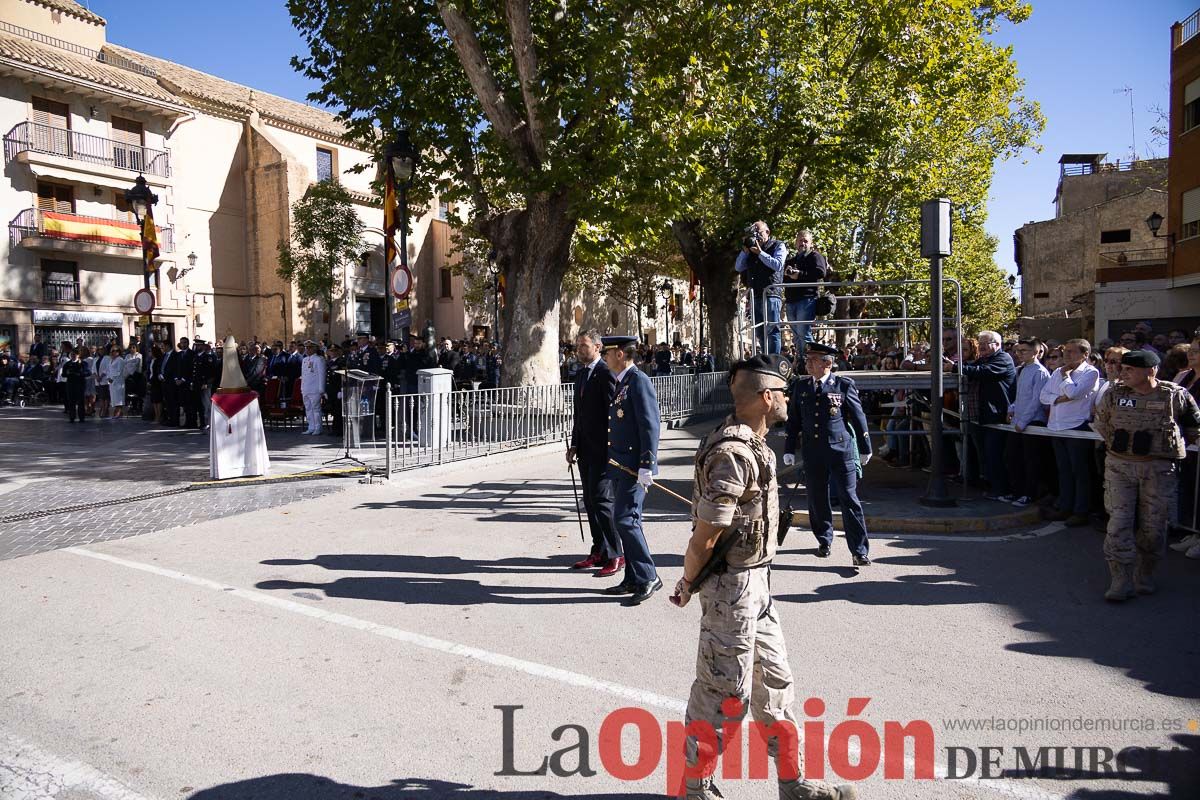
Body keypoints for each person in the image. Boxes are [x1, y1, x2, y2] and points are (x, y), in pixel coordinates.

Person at [674, 353, 856, 800]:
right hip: (729, 589)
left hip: (758, 584)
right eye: (783, 394)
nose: (789, 401)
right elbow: (706, 535)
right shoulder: (733, 454)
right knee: (722, 692)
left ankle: (794, 785)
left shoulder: (757, 445)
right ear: (766, 396)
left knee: (775, 686)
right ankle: (694, 789)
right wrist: (687, 581)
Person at [1093, 349, 1200, 600]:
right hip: (1119, 467)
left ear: (1151, 371)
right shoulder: (1114, 394)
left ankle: (1145, 572)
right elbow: (1101, 423)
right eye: (1123, 368)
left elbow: (1194, 425)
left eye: (1131, 369)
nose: (1124, 373)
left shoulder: (1174, 395)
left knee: (1154, 528)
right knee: (1118, 524)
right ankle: (1120, 579)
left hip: (1158, 469)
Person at [783, 341, 872, 565]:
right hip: (813, 452)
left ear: (827, 363)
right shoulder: (801, 387)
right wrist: (789, 448)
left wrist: (865, 447)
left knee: (849, 499)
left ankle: (859, 550)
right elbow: (794, 420)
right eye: (807, 359)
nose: (808, 363)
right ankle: (824, 539)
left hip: (840, 450)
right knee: (817, 498)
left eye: (812, 360)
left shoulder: (842, 385)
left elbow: (858, 418)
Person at [601, 334, 662, 605]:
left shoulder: (638, 381)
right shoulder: (621, 381)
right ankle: (634, 576)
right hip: (620, 465)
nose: (604, 355)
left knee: (627, 519)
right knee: (621, 519)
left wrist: (647, 464)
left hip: (634, 468)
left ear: (621, 354)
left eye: (608, 351)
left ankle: (648, 576)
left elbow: (650, 425)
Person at [566, 330, 623, 576]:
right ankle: (598, 548)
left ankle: (616, 553)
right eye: (577, 346)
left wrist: (614, 449)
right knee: (589, 502)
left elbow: (613, 414)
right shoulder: (581, 374)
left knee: (602, 501)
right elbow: (579, 415)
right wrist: (574, 444)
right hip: (585, 450)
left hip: (603, 451)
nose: (579, 350)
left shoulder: (604, 373)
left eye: (584, 346)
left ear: (598, 347)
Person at [947, 331, 1015, 500]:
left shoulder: (1003, 359)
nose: (982, 345)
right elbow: (972, 369)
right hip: (979, 417)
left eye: (987, 342)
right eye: (980, 342)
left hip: (996, 416)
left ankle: (1002, 490)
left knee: (995, 456)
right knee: (985, 456)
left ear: (998, 344)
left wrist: (955, 367)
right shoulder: (983, 360)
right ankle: (991, 486)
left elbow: (983, 372)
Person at [1040, 338, 1100, 526]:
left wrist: (1066, 378)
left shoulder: (1091, 373)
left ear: (1085, 355)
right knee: (1064, 470)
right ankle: (1065, 507)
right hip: (1057, 426)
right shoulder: (1057, 371)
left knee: (1079, 471)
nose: (1067, 355)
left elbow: (1074, 393)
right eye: (1066, 351)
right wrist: (1060, 398)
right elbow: (1043, 396)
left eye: (1072, 352)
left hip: (1076, 426)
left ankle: (1081, 510)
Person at [1005, 338, 1050, 508]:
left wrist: (1023, 421)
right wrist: (1012, 408)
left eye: (1024, 351)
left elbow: (1037, 400)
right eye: (1018, 351)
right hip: (1018, 421)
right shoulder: (1022, 370)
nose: (1019, 354)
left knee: (1030, 460)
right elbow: (1020, 396)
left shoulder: (1040, 372)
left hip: (1032, 422)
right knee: (1012, 457)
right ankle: (1016, 491)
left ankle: (1029, 494)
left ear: (1037, 352)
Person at [734, 220, 787, 355]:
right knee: (760, 332)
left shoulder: (778, 245)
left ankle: (773, 361)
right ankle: (765, 359)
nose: (756, 236)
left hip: (771, 294)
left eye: (758, 232)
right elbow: (738, 267)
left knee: (772, 330)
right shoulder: (751, 251)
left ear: (767, 232)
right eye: (753, 234)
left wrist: (760, 253)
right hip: (755, 296)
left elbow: (778, 265)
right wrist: (745, 251)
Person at [782, 229, 829, 351]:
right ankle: (801, 361)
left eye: (805, 241)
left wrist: (800, 275)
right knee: (796, 335)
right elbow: (783, 278)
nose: (802, 243)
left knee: (804, 333)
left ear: (811, 243)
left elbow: (821, 272)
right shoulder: (791, 261)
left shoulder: (815, 256)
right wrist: (789, 275)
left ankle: (811, 362)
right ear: (795, 243)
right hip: (791, 300)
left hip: (806, 299)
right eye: (800, 241)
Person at [298, 340, 327, 435]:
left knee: (316, 409)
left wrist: (321, 389)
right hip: (306, 388)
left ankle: (318, 427)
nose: (308, 349)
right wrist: (302, 388)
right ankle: (311, 427)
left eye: (310, 348)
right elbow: (304, 375)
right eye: (307, 348)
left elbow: (322, 374)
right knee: (308, 408)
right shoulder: (305, 360)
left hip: (315, 388)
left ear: (315, 348)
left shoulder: (319, 359)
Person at [61, 346, 89, 423]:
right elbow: (63, 374)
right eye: (72, 354)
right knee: (71, 401)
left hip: (80, 384)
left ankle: (81, 417)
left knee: (80, 401)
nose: (73, 356)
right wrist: (68, 373)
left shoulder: (83, 363)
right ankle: (72, 417)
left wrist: (80, 373)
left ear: (78, 355)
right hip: (70, 384)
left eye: (75, 354)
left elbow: (87, 372)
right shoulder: (67, 364)